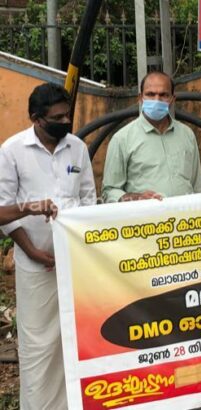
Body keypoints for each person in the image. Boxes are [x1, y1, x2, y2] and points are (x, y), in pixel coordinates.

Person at [0, 82, 97, 409]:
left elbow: (88, 200)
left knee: (73, 340)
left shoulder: (77, 148)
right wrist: (31, 250)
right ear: (36, 119)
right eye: (57, 117)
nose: (65, 121)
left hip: (75, 264)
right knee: (39, 346)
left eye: (67, 115)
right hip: (35, 265)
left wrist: (80, 249)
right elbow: (2, 210)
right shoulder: (12, 151)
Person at [102, 71, 201, 202]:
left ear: (172, 99)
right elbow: (109, 191)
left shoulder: (187, 135)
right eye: (150, 94)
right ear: (140, 98)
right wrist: (135, 197)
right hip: (145, 215)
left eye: (163, 95)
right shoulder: (122, 139)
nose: (157, 100)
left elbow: (197, 187)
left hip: (184, 213)